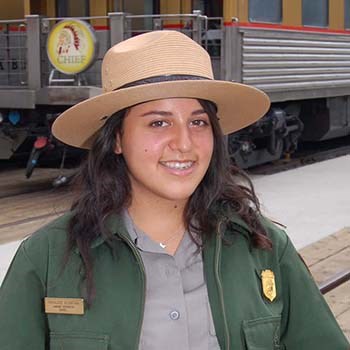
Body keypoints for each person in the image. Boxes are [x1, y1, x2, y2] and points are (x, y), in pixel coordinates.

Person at [0, 30, 348, 350]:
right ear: (118, 139)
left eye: (198, 122)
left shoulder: (264, 249)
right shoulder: (46, 259)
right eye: (159, 122)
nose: (184, 143)